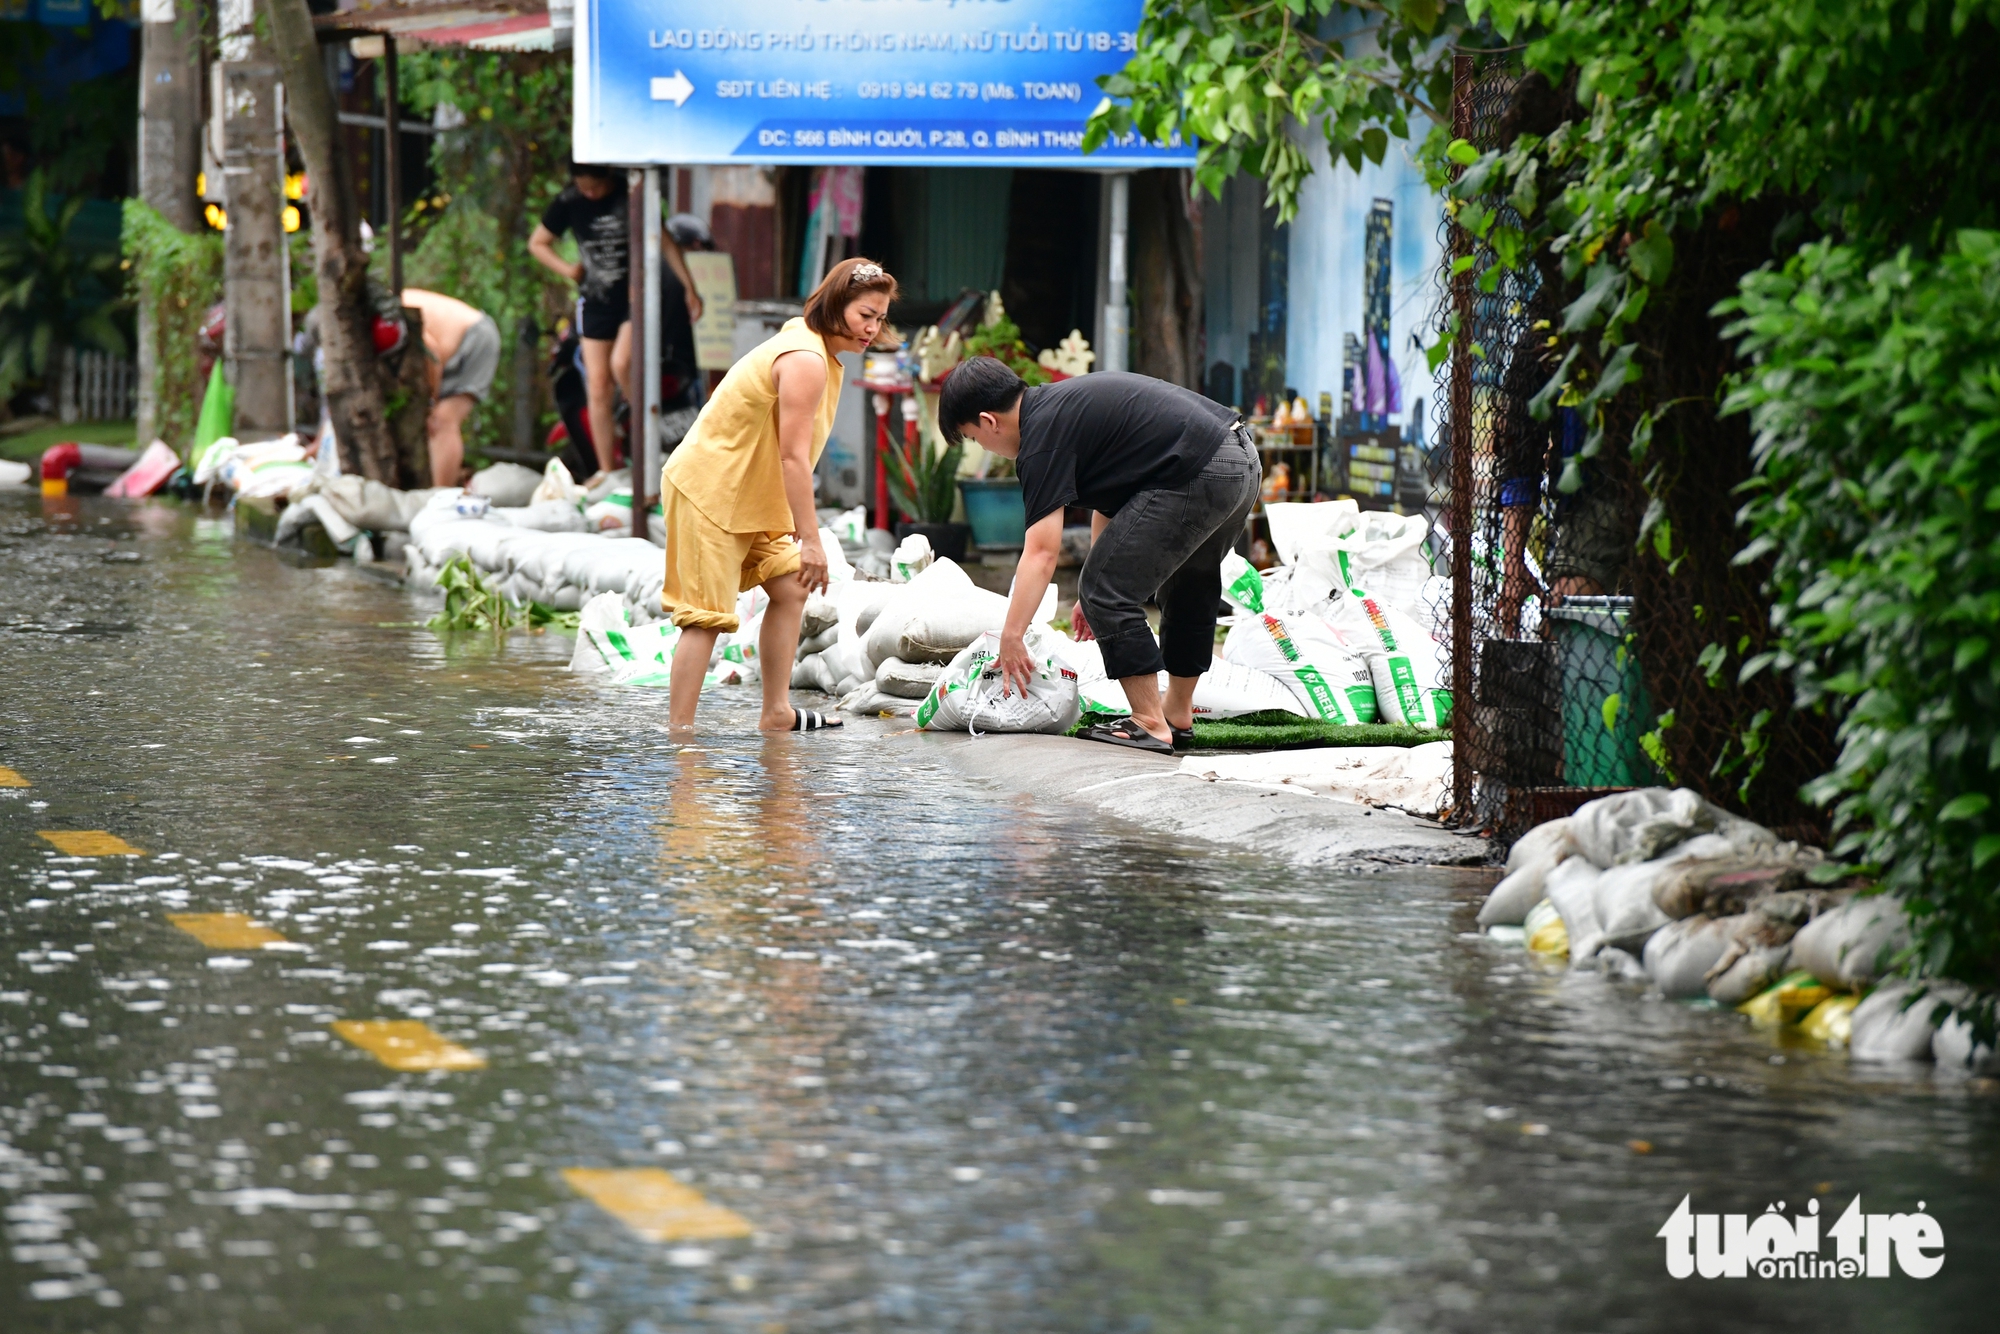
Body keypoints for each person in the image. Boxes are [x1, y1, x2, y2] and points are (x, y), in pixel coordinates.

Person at [941, 357, 1259, 754]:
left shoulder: (1040, 439)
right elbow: (1112, 505)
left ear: (989, 421)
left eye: (972, 437)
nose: (981, 445)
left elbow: (1041, 553)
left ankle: (1148, 721)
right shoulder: (1060, 408)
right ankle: (1176, 714)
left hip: (1198, 469)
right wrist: (1096, 583)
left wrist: (1012, 635)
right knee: (1187, 583)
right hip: (1238, 460)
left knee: (1105, 589)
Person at [659, 257, 898, 732]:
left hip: (751, 496)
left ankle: (776, 712)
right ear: (834, 306)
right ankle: (679, 738)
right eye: (864, 316)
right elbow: (793, 457)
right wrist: (810, 539)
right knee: (705, 619)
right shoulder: (806, 359)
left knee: (791, 588)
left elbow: (789, 457)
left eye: (880, 318)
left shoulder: (812, 347)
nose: (872, 329)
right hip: (713, 491)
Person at [528, 162, 703, 482]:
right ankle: (607, 470)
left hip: (634, 299)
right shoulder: (569, 202)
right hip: (595, 301)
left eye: (596, 188)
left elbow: (665, 240)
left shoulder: (632, 191)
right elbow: (537, 242)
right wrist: (567, 269)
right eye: (584, 189)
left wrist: (689, 286)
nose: (590, 194)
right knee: (597, 386)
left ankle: (646, 437)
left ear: (609, 177)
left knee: (622, 363)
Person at [398, 288, 499, 487]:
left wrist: (430, 402)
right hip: (448, 354)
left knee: (442, 420)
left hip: (474, 338)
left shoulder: (385, 313)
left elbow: (431, 352)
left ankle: (440, 497)